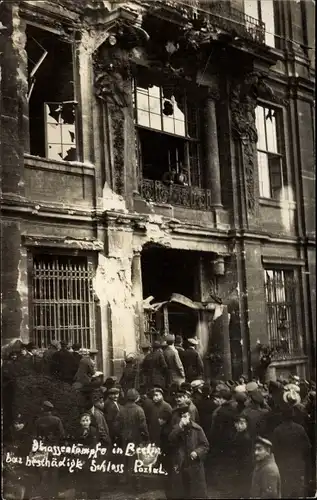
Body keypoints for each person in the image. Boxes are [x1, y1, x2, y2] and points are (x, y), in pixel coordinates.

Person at [167, 404, 209, 499]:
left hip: (194, 464)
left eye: (186, 416)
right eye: (182, 417)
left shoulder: (197, 429)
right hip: (180, 463)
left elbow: (205, 445)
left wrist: (197, 452)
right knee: (180, 492)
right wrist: (179, 427)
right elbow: (170, 440)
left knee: (195, 492)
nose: (185, 419)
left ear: (190, 416)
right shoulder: (175, 429)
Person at [272, 404, 311, 498]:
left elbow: (274, 450)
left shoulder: (277, 430)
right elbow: (308, 446)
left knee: (285, 488)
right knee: (297, 488)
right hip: (298, 462)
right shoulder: (300, 428)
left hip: (283, 463)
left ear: (282, 416)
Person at [120, 388, 149, 492]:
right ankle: (137, 485)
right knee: (137, 461)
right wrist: (146, 438)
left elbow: (118, 425)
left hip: (124, 438)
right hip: (136, 439)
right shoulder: (139, 410)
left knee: (127, 460)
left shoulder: (122, 409)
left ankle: (126, 482)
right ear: (136, 398)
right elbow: (143, 426)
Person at [228, 414, 253, 498]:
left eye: (242, 423)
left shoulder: (245, 437)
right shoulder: (239, 434)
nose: (239, 426)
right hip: (240, 462)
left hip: (244, 463)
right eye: (237, 423)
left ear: (246, 424)